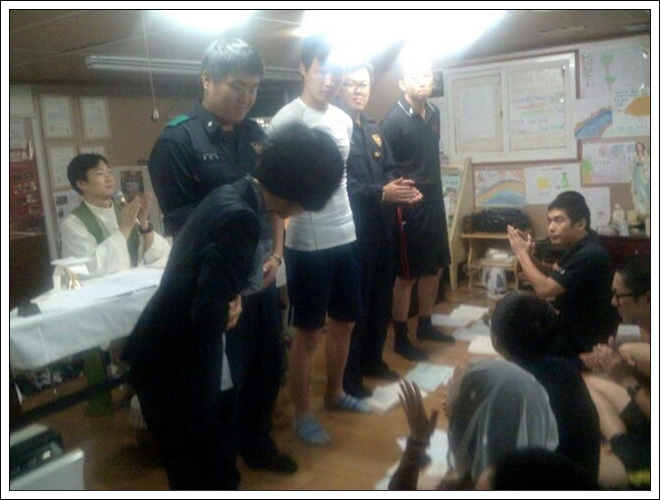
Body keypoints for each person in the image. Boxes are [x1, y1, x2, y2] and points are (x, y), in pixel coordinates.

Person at [122, 122, 344, 490]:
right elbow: (207, 315)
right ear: (301, 191)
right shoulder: (241, 219)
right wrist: (228, 311)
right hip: (175, 366)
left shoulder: (233, 192)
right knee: (204, 476)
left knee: (204, 470)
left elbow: (208, 277)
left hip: (165, 353)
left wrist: (230, 296)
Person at [147, 38, 293, 473]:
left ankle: (258, 444)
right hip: (217, 286)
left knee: (266, 365)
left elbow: (276, 201)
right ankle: (222, 462)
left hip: (261, 275)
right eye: (236, 86)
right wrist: (227, 287)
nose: (246, 98)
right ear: (207, 80)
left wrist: (277, 254)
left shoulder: (256, 136)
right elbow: (186, 226)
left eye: (253, 88)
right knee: (225, 378)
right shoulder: (178, 141)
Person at [268, 35, 369, 447]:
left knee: (345, 322)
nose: (330, 80)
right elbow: (275, 193)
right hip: (307, 244)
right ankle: (302, 413)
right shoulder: (285, 121)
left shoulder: (344, 120)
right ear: (303, 69)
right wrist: (277, 251)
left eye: (336, 72)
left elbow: (340, 181)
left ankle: (335, 393)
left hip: (346, 233)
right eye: (321, 70)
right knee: (308, 332)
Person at [336, 62, 422, 398]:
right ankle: (349, 375)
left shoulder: (373, 128)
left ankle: (372, 360)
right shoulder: (334, 127)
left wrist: (399, 187)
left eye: (364, 84)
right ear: (339, 87)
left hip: (383, 228)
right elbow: (340, 184)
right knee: (355, 306)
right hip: (353, 231)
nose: (358, 90)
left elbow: (388, 167)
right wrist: (382, 193)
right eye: (351, 83)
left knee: (380, 300)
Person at [380, 56, 453, 362]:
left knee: (435, 268)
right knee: (407, 275)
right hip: (409, 206)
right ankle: (400, 338)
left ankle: (425, 325)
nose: (423, 80)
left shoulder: (434, 112)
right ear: (402, 84)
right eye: (415, 76)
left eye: (427, 75)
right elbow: (384, 167)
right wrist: (399, 194)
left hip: (435, 199)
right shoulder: (392, 121)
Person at [389, 360, 559, 490]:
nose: (446, 398)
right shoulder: (545, 475)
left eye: (456, 396)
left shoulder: (477, 484)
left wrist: (417, 441)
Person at [489, 292, 601, 482]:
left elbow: (488, 453)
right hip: (585, 477)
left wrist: (458, 406)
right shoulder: (566, 369)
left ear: (496, 340)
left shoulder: (511, 386)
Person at [507, 191, 618, 358]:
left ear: (580, 224)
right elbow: (554, 273)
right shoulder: (581, 242)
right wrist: (529, 256)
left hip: (587, 339)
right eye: (550, 221)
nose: (551, 227)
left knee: (517, 335)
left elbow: (545, 289)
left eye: (558, 220)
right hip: (574, 322)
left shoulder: (590, 253)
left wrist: (521, 254)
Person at [580, 254, 650, 489]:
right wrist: (611, 367)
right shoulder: (645, 329)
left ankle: (634, 467)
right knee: (587, 381)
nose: (613, 302)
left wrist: (626, 378)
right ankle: (621, 441)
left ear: (648, 298)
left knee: (583, 469)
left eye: (618, 295)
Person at [61, 153, 170, 278]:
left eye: (109, 172)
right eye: (100, 174)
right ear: (82, 184)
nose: (109, 179)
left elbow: (159, 255)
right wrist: (125, 229)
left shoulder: (123, 210)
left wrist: (144, 224)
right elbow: (91, 268)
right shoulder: (74, 224)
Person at [631, 141, 650, 218]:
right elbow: (632, 167)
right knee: (638, 194)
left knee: (645, 193)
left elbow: (648, 166)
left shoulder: (647, 157)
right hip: (637, 176)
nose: (639, 148)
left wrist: (643, 164)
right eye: (637, 147)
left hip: (645, 176)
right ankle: (641, 211)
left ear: (643, 147)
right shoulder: (634, 156)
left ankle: (647, 209)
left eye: (640, 146)